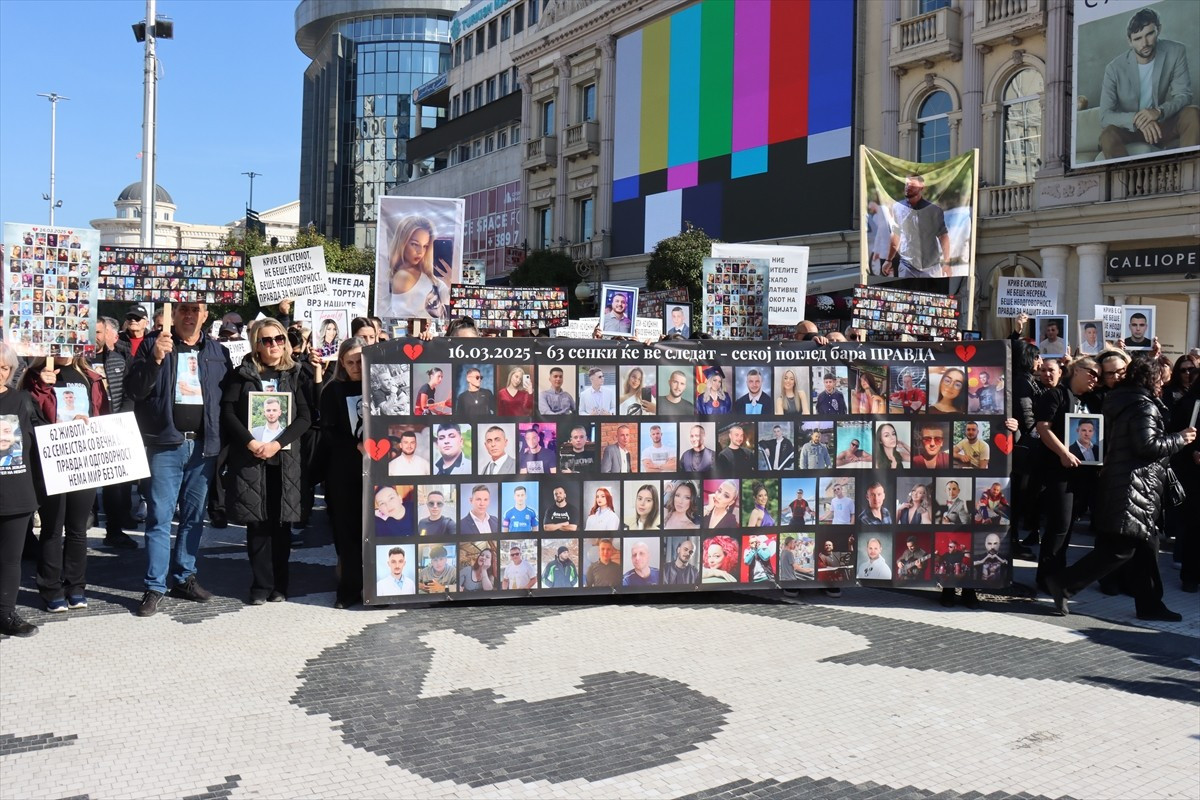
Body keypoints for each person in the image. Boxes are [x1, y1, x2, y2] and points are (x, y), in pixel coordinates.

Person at [1047, 356, 1196, 620]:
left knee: (1147, 547)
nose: (1164, 383)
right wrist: (1179, 439)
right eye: (1161, 378)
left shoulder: (1121, 399)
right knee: (1121, 549)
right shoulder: (1143, 406)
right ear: (1151, 379)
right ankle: (1065, 583)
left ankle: (1150, 604)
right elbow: (1146, 446)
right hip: (1135, 486)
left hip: (1129, 484)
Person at [125, 302, 233, 617]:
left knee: (193, 517)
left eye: (195, 310)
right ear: (173, 314)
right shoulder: (152, 343)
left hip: (203, 447)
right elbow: (135, 390)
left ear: (205, 316)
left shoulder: (217, 351)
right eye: (183, 309)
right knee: (159, 518)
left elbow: (227, 398)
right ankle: (155, 586)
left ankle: (184, 577)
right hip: (165, 445)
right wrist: (156, 358)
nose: (189, 315)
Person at [223, 319, 312, 604]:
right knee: (258, 524)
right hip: (252, 458)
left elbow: (304, 418)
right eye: (267, 340)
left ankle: (280, 585)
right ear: (256, 344)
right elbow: (228, 414)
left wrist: (277, 443)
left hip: (284, 461)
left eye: (279, 339)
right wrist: (251, 442)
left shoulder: (294, 374)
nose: (274, 345)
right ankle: (261, 585)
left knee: (281, 525)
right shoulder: (242, 375)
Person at [1098, 7, 1200, 161]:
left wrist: (1159, 112)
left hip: (1163, 123)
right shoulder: (1114, 69)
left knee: (1192, 113)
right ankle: (1128, 183)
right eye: (1137, 39)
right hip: (1131, 129)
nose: (1144, 43)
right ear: (1129, 41)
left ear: (1158, 29)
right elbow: (1105, 116)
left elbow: (1184, 95)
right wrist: (1138, 120)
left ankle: (1189, 176)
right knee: (1107, 135)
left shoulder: (1176, 51)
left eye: (1149, 34)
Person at [1035, 358, 1101, 588]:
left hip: (1084, 474)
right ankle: (1047, 579)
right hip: (1058, 471)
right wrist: (1063, 453)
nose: (1095, 378)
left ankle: (1057, 574)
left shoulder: (1093, 400)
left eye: (1098, 375)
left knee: (1069, 525)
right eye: (1091, 372)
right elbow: (1043, 427)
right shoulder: (1056, 395)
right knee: (1059, 525)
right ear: (1076, 370)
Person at [316, 337, 368, 608]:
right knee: (346, 530)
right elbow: (328, 432)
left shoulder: (379, 385)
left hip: (375, 470)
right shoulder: (332, 390)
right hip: (343, 471)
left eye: (360, 360)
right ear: (342, 364)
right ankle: (348, 588)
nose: (356, 366)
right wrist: (355, 445)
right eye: (350, 362)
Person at [91, 316, 138, 549]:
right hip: (87, 429)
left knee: (115, 486)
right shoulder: (78, 359)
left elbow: (131, 391)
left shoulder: (121, 357)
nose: (95, 337)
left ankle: (115, 530)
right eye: (92, 332)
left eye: (99, 332)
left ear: (108, 333)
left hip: (115, 427)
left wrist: (124, 418)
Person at [885, 173, 951, 278]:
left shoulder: (934, 210)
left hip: (931, 268)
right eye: (906, 184)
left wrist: (947, 263)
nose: (908, 187)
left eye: (912, 185)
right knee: (905, 295)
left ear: (921, 187)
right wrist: (888, 260)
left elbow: (943, 236)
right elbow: (896, 234)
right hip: (907, 266)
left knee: (933, 295)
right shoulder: (897, 207)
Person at [383, 215, 450, 319]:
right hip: (416, 332)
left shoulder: (428, 274)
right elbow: (406, 313)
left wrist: (449, 281)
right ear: (402, 243)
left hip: (435, 332)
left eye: (425, 246)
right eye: (414, 244)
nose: (420, 251)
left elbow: (448, 299)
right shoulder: (403, 276)